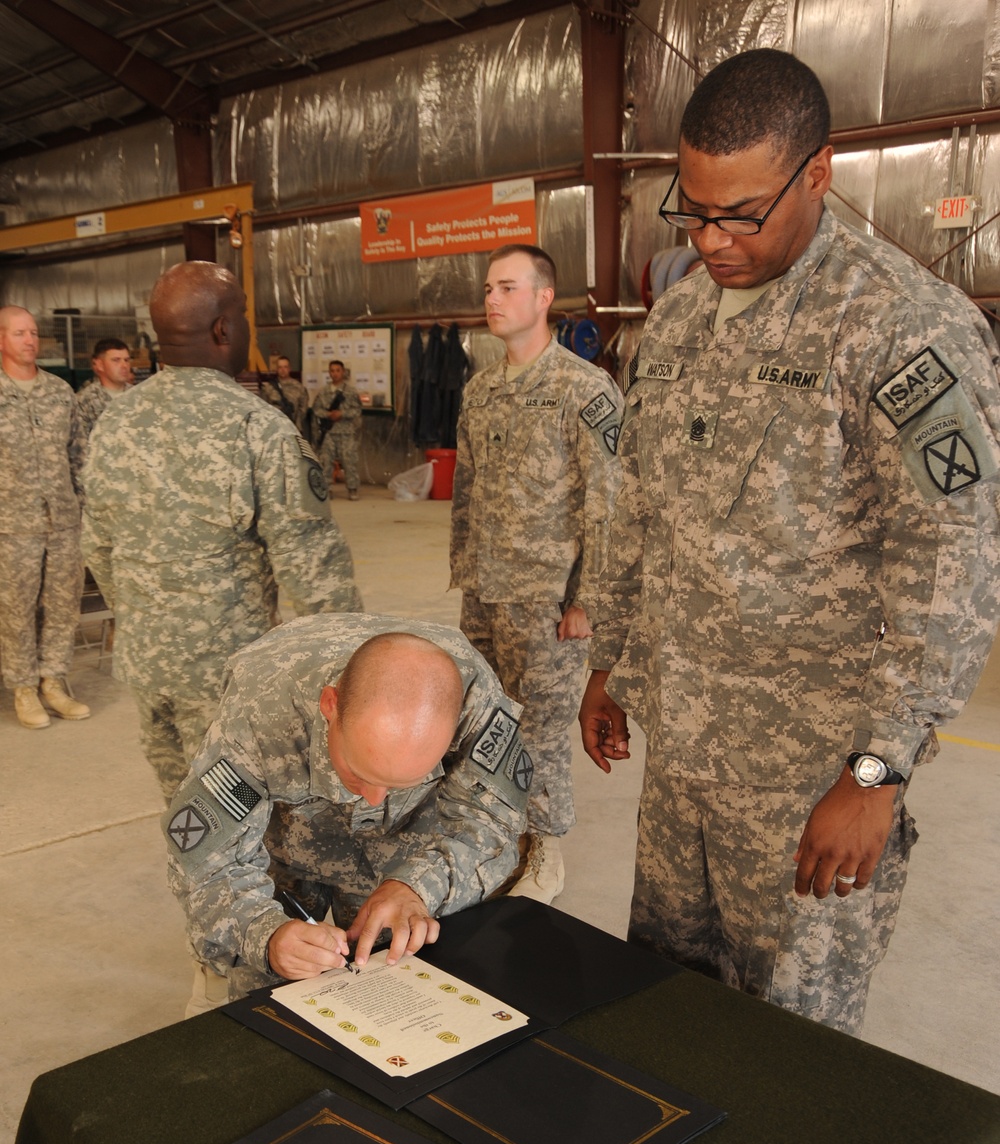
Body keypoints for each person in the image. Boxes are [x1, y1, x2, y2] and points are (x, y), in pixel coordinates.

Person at [580, 49, 1000, 1035]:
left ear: (819, 172)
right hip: (683, 758)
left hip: (809, 778)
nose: (715, 240)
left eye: (744, 213)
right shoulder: (679, 316)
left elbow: (951, 559)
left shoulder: (904, 328)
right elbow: (638, 497)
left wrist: (876, 773)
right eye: (696, 209)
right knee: (666, 1015)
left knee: (792, 1054)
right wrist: (613, 655)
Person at [82, 261, 362, 801]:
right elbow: (313, 573)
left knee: (186, 811)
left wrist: (147, 616)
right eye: (242, 315)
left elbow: (96, 544)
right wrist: (350, 679)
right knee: (244, 815)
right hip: (228, 675)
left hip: (147, 661)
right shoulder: (256, 427)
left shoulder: (116, 421)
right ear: (223, 329)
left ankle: (199, 884)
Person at [163, 615, 531, 1003]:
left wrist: (420, 884)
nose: (374, 798)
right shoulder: (259, 711)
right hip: (284, 835)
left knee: (401, 980)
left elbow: (492, 822)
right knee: (267, 982)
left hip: (408, 834)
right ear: (330, 705)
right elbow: (206, 861)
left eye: (399, 783)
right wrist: (264, 934)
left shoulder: (473, 697)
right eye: (360, 773)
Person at [450, 245, 623, 903]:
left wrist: (588, 601)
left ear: (544, 297)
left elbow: (608, 506)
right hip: (486, 591)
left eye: (507, 287)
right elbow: (467, 487)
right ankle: (498, 836)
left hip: (550, 599)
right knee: (486, 720)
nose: (492, 300)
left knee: (542, 730)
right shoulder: (481, 389)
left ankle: (545, 851)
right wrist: (467, 573)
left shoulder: (584, 389)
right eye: (488, 288)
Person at [0, 305, 90, 729]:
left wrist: (87, 513)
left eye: (33, 332)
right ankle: (22, 687)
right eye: (19, 333)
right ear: (2, 339)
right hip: (10, 524)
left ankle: (53, 681)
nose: (30, 340)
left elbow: (79, 457)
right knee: (16, 608)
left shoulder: (59, 392)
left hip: (64, 521)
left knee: (62, 605)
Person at [312, 359, 363, 500]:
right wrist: (328, 414)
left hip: (346, 431)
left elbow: (357, 410)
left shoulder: (350, 391)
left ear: (343, 372)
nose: (335, 374)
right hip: (329, 432)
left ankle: (352, 489)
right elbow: (317, 409)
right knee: (326, 461)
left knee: (349, 461)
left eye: (337, 370)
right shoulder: (323, 392)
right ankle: (326, 489)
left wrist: (342, 414)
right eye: (332, 371)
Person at [74, 337, 132, 447]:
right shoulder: (85, 401)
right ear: (99, 364)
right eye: (116, 360)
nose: (124, 366)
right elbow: (80, 446)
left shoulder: (139, 396)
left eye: (127, 360)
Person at [259, 354, 308, 433]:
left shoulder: (299, 387)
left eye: (285, 367)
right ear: (277, 369)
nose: (283, 370)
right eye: (280, 367)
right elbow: (263, 408)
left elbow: (303, 409)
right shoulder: (268, 388)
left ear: (289, 368)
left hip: (293, 428)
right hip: (274, 429)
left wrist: (296, 424)